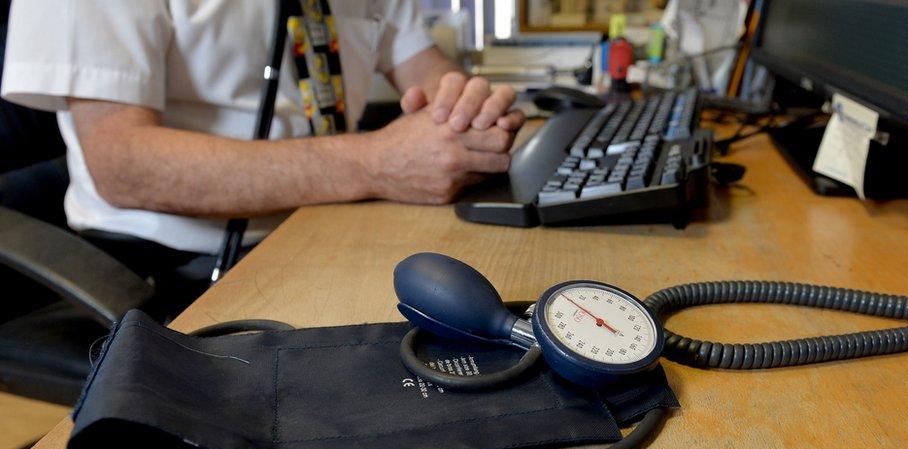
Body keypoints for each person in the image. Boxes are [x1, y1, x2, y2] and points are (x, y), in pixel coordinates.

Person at [0, 0, 523, 309]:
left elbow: (431, 74)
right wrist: (374, 163)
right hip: (175, 268)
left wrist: (468, 109)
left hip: (334, 226)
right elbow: (121, 164)